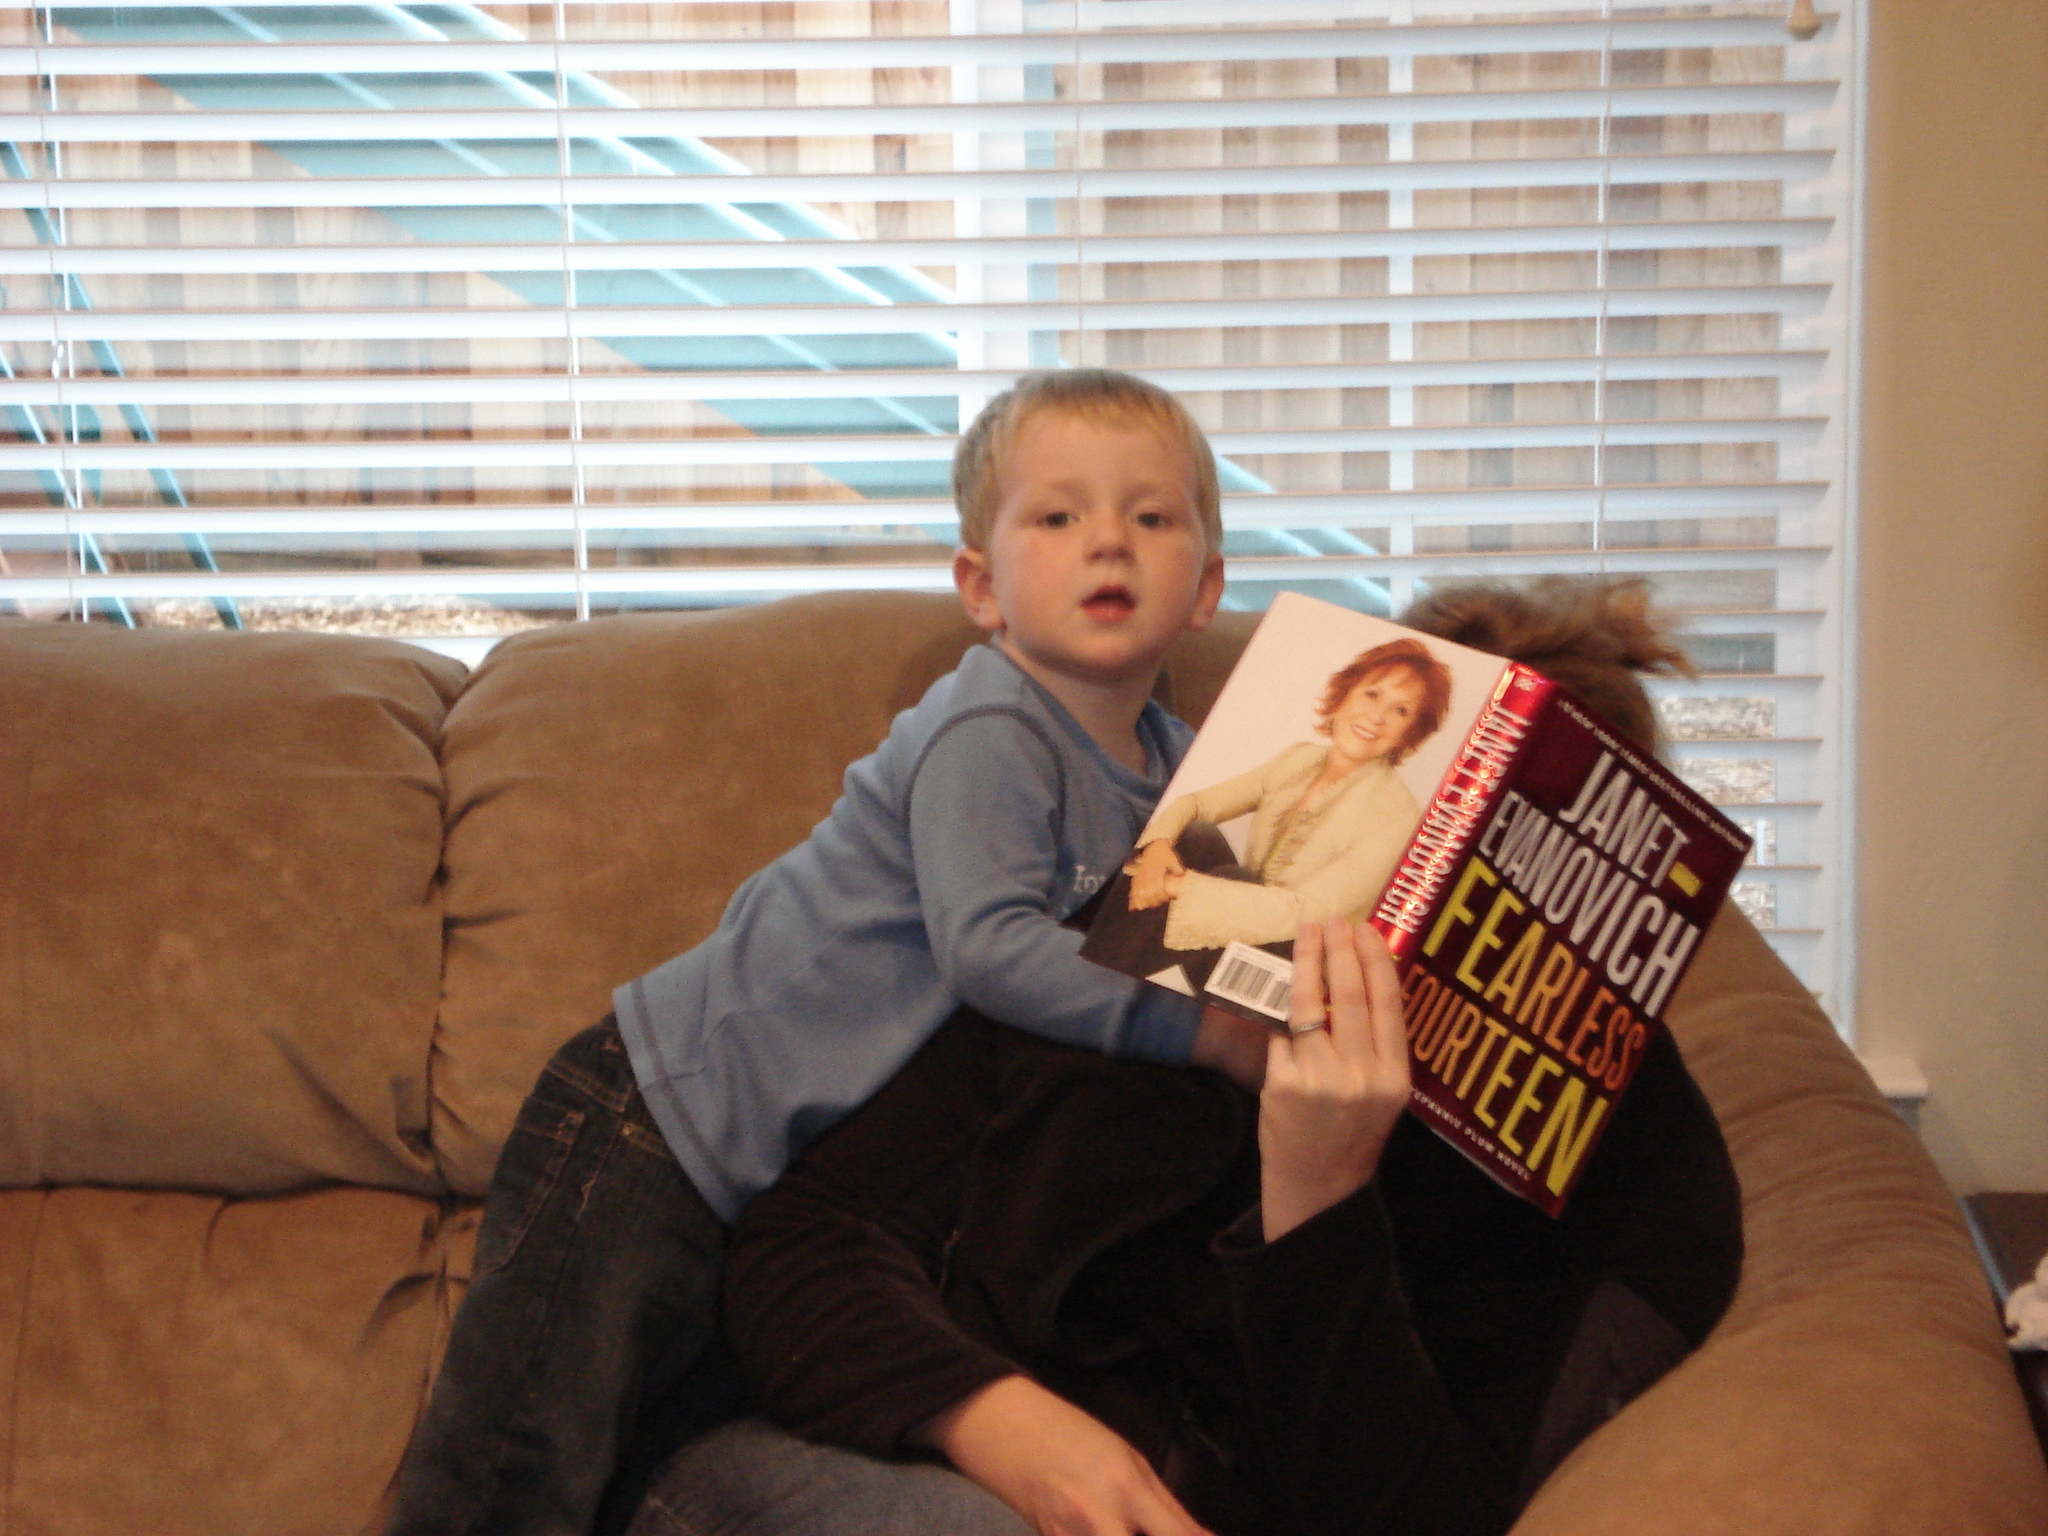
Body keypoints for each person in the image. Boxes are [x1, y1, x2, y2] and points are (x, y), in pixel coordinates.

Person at [385, 369, 1270, 1536]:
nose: (1107, 540)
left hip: (767, 1183)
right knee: (513, 1461)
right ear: (980, 588)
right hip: (652, 1121)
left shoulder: (1184, 773)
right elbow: (989, 950)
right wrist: (1203, 1030)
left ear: (1205, 586)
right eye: (1057, 517)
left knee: (643, 1452)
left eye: (1149, 517)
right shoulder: (992, 725)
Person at [688, 581, 1743, 1536]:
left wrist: (1317, 1203)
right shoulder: (1133, 965)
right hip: (886, 1445)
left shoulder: (1638, 1171)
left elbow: (1426, 1514)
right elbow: (802, 1244)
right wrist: (1007, 1429)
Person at [1094, 638, 1454, 996]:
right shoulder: (1300, 759)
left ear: (1411, 732)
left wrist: (1175, 886)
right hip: (1243, 916)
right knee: (1195, 836)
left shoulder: (1399, 818)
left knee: (1228, 878)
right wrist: (1156, 851)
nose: (1377, 717)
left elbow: (1307, 913)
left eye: (1401, 711)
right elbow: (1198, 803)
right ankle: (1103, 967)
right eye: (1372, 694)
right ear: (1345, 693)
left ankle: (1102, 978)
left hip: (1300, 964)